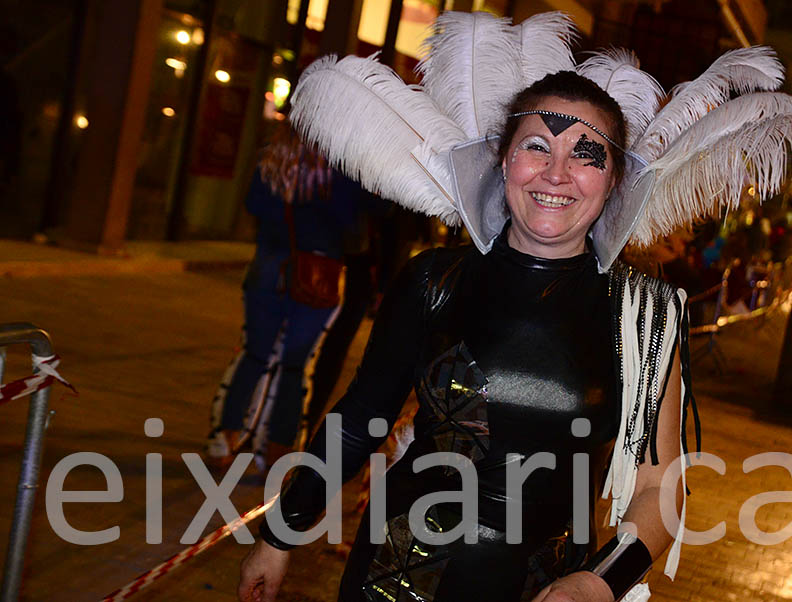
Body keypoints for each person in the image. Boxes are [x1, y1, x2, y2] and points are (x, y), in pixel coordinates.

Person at [238, 72, 690, 602]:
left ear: (615, 179)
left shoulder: (642, 318)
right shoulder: (433, 282)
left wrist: (596, 583)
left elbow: (661, 487)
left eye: (586, 154)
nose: (557, 173)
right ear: (503, 160)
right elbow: (359, 419)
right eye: (536, 147)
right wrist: (278, 535)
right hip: (394, 579)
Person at [208, 123, 366, 468]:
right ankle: (277, 451)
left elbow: (254, 204)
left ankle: (225, 440)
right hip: (318, 269)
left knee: (255, 354)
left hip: (269, 263)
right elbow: (352, 221)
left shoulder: (274, 156)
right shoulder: (342, 167)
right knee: (295, 365)